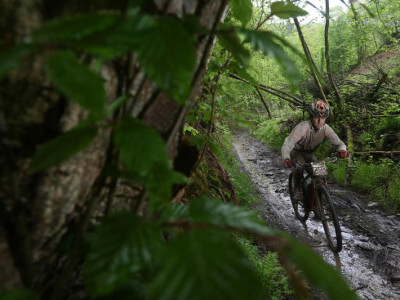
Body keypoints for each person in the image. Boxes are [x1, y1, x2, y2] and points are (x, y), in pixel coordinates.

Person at [281, 100, 349, 199]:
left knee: (320, 174)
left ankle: (317, 198)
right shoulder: (302, 127)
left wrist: (342, 150)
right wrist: (286, 158)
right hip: (297, 152)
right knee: (299, 168)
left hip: (311, 154)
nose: (320, 121)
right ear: (312, 117)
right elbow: (288, 143)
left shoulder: (326, 129)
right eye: (317, 118)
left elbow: (339, 143)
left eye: (323, 118)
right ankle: (297, 188)